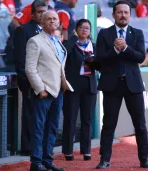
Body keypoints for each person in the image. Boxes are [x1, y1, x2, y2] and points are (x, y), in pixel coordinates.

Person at [95, 0, 148, 169]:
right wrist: (114, 51)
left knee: (140, 124)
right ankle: (104, 160)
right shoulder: (104, 34)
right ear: (113, 15)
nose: (123, 15)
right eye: (119, 12)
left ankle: (144, 159)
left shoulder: (137, 33)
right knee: (108, 125)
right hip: (111, 84)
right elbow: (100, 60)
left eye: (126, 12)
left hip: (132, 84)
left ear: (130, 15)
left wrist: (125, 48)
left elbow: (141, 57)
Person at [25, 10, 73, 171]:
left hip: (58, 91)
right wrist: (40, 89)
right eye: (49, 19)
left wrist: (62, 86)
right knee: (39, 128)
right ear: (42, 22)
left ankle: (47, 160)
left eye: (55, 19)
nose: (53, 21)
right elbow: (30, 69)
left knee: (52, 128)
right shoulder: (35, 41)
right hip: (44, 92)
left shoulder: (57, 40)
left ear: (59, 22)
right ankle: (36, 163)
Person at [62, 18, 99, 162]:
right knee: (70, 119)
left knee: (87, 119)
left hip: (89, 86)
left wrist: (94, 63)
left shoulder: (94, 47)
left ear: (90, 32)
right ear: (76, 30)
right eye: (81, 27)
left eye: (87, 28)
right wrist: (73, 38)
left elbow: (102, 66)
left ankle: (86, 149)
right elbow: (65, 54)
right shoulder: (71, 44)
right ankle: (67, 150)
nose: (84, 30)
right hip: (72, 86)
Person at [13, 0, 47, 156]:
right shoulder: (23, 30)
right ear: (33, 13)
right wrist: (24, 80)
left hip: (47, 80)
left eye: (44, 11)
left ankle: (41, 146)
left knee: (43, 115)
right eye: (39, 12)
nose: (43, 15)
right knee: (30, 113)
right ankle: (27, 147)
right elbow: (20, 57)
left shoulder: (49, 30)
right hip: (30, 80)